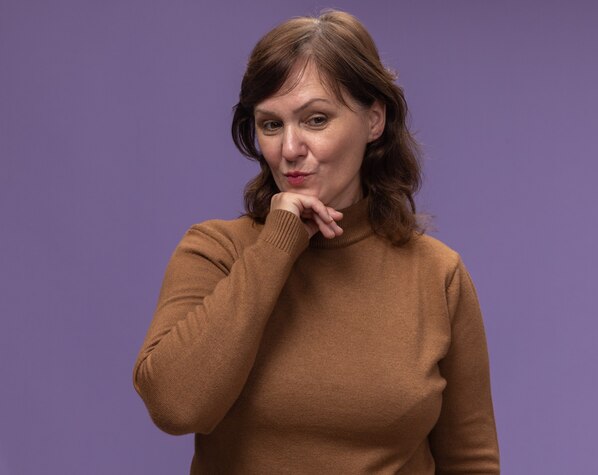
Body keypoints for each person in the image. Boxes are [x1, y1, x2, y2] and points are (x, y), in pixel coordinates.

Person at [133, 10, 500, 474]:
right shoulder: (215, 251)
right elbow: (174, 406)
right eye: (270, 125)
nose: (289, 149)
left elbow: (471, 461)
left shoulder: (437, 274)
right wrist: (277, 244)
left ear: (374, 120)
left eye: (316, 119)